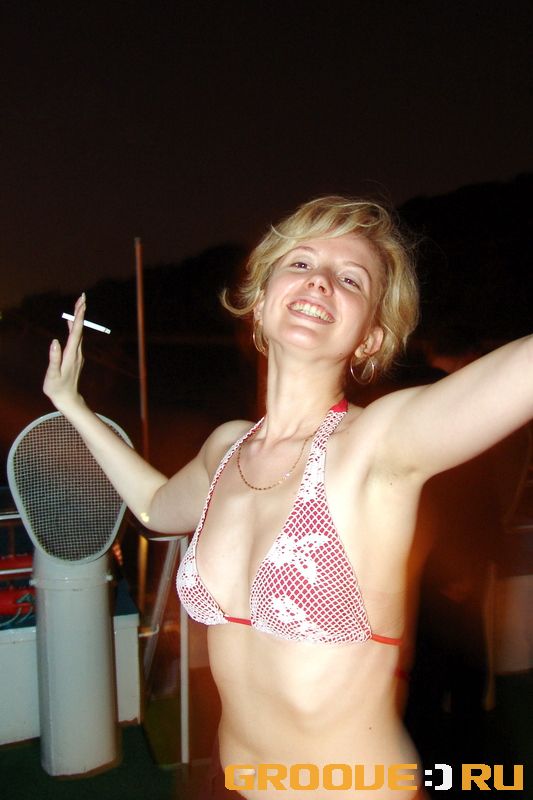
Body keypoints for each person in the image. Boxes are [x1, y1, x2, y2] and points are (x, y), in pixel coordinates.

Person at [43, 196, 532, 800]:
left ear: (370, 337)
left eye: (351, 279)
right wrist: (72, 405)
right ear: (259, 303)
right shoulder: (225, 451)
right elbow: (155, 507)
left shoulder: (375, 446)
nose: (320, 280)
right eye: (300, 263)